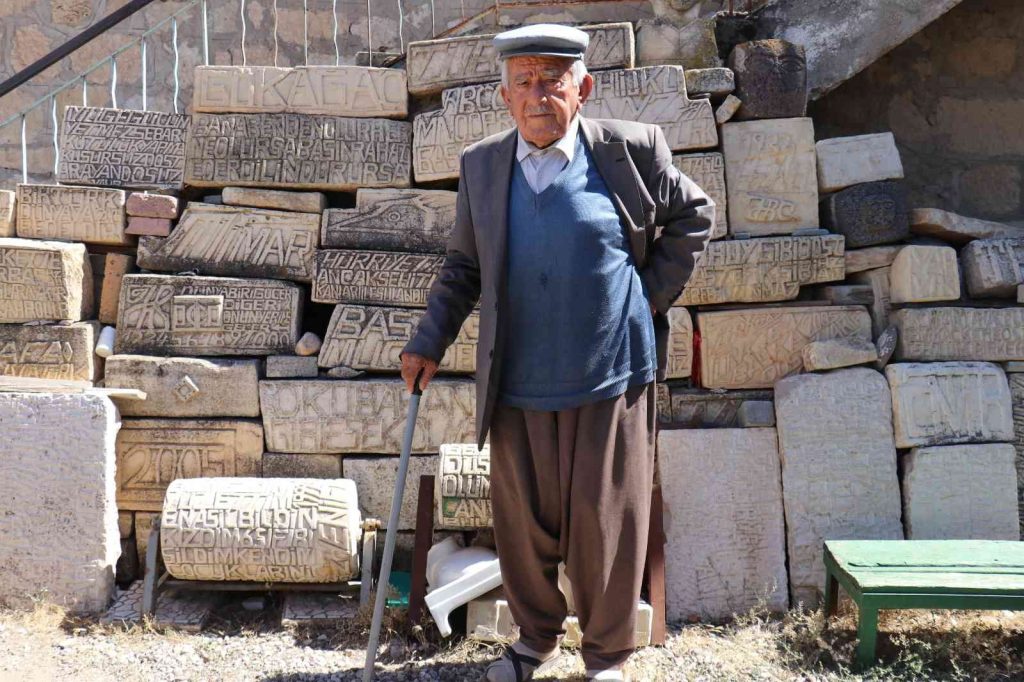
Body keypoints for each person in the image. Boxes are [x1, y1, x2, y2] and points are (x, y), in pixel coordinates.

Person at [401, 23, 714, 682]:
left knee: (605, 525)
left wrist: (645, 294)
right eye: (525, 82)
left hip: (611, 375)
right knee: (523, 529)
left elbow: (694, 215)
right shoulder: (483, 166)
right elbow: (464, 267)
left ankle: (605, 657)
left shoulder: (630, 150)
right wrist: (429, 340)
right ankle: (534, 643)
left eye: (553, 80)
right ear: (505, 95)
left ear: (583, 88)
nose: (539, 94)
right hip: (518, 381)